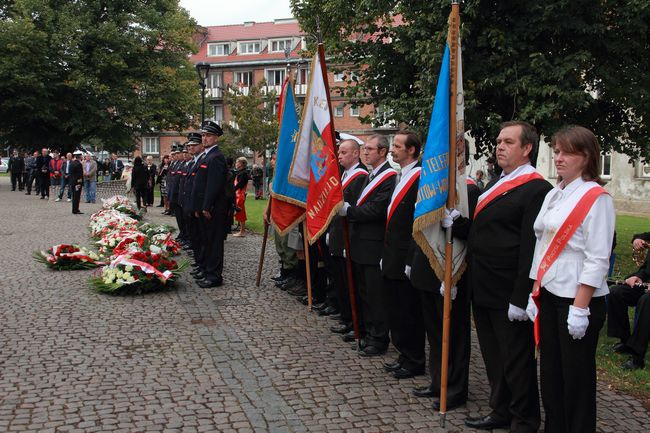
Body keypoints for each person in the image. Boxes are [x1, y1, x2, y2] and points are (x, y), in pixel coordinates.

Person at [525, 125, 615, 433]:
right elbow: (542, 246)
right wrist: (534, 290)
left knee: (576, 379)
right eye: (557, 151)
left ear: (586, 156)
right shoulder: (555, 194)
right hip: (549, 292)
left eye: (566, 152)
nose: (558, 158)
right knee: (550, 373)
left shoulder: (596, 198)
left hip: (578, 299)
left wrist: (580, 307)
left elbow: (598, 258)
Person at [465, 121, 552, 433]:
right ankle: (500, 410)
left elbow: (531, 248)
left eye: (508, 142)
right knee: (493, 356)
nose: (500, 146)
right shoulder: (494, 183)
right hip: (484, 285)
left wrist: (521, 295)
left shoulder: (537, 188)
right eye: (499, 141)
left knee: (517, 360)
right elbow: (483, 233)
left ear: (527, 148)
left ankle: (525, 420)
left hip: (510, 290)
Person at [338, 134, 397, 356]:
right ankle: (368, 333)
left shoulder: (389, 177)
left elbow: (378, 209)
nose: (366, 152)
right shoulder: (372, 176)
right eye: (366, 149)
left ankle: (379, 339)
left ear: (382, 152)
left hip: (374, 246)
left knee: (376, 297)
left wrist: (350, 211)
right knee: (364, 294)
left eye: (370, 149)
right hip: (361, 244)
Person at [380, 131, 426, 379]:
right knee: (395, 310)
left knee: (408, 311)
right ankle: (403, 355)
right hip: (391, 253)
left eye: (397, 146)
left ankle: (414, 359)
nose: (392, 150)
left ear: (412, 150)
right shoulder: (402, 176)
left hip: (406, 255)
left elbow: (414, 222)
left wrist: (410, 259)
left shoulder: (419, 177)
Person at [325, 139, 367, 333]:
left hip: (348, 238)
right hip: (337, 235)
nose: (339, 156)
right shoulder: (344, 174)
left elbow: (352, 211)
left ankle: (354, 322)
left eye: (343, 152)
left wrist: (344, 239)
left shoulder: (360, 176)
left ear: (355, 154)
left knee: (351, 283)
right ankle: (346, 317)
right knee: (340, 279)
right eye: (339, 152)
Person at [190, 120, 228, 288]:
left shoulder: (216, 157)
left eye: (209, 135)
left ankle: (214, 276)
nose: (205, 138)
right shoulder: (207, 156)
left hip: (213, 209)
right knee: (207, 241)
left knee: (214, 243)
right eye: (204, 135)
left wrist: (206, 206)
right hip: (204, 208)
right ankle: (207, 271)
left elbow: (213, 186)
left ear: (216, 138)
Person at [607, 230, 650, 371]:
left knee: (646, 301)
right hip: (646, 283)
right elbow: (646, 268)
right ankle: (625, 340)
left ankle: (637, 356)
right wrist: (638, 276)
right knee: (616, 292)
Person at [232, 157, 250, 237]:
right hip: (237, 194)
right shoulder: (240, 172)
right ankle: (241, 230)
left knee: (240, 213)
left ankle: (242, 231)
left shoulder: (243, 173)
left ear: (242, 164)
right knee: (239, 212)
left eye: (237, 162)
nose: (236, 164)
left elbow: (240, 184)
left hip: (240, 195)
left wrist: (232, 189)